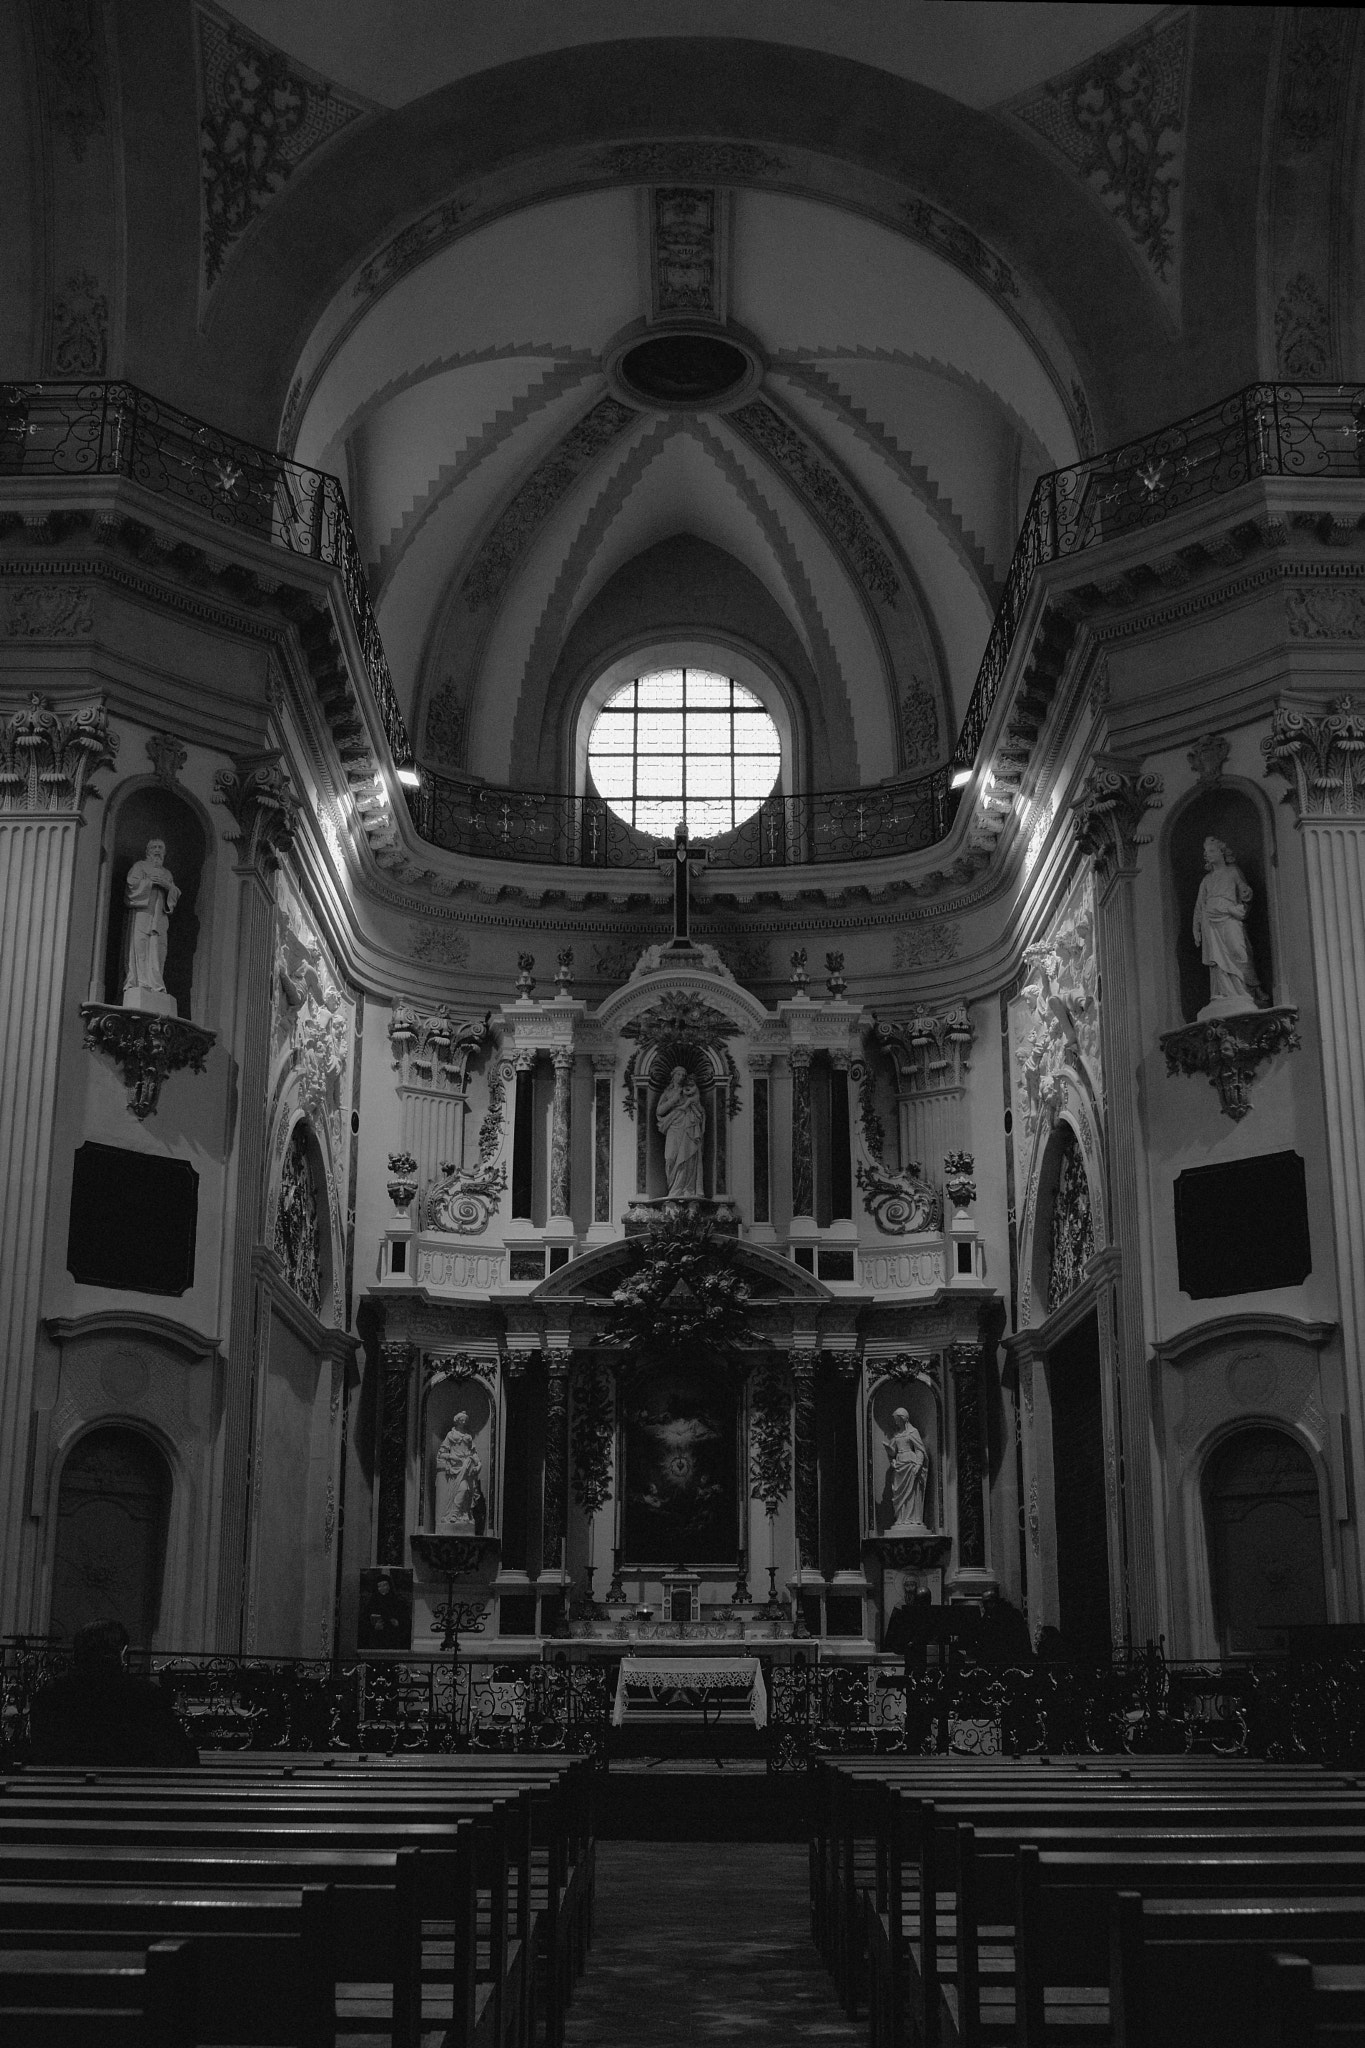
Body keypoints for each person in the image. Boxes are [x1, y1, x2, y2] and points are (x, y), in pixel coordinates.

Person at [27, 1619, 198, 1766]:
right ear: (122, 1653)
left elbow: (39, 1748)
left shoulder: (50, 1693)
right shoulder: (145, 1694)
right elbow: (176, 1752)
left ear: (77, 1653)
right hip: (133, 1793)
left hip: (61, 1790)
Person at [1192, 835, 1263, 1016]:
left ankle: (1247, 990)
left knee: (1239, 951)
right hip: (1210, 921)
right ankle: (1222, 993)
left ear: (1222, 852)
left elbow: (1244, 891)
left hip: (1229, 916)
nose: (1207, 855)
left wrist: (1246, 893)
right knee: (1216, 959)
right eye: (1206, 852)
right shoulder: (1206, 880)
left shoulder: (1232, 871)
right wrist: (1196, 928)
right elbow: (1199, 906)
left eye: (1212, 851)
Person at [123, 836, 181, 1005]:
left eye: (160, 848)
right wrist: (149, 883)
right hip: (142, 912)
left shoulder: (167, 873)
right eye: (154, 847)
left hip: (159, 916)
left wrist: (167, 886)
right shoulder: (139, 866)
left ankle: (156, 983)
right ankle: (140, 982)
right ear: (147, 851)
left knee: (158, 949)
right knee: (140, 945)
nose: (157, 851)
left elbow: (175, 893)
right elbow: (131, 885)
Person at [656, 1064, 705, 1197]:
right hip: (673, 1125)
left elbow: (699, 1107)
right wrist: (673, 1100)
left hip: (689, 1124)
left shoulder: (688, 1090)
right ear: (673, 1075)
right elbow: (659, 1111)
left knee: (688, 1156)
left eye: (684, 1075)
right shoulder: (668, 1093)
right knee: (670, 1157)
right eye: (679, 1074)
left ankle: (686, 1189)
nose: (681, 1077)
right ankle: (673, 1188)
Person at [436, 1411, 485, 1530]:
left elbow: (474, 1454)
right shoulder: (451, 1435)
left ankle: (462, 1514)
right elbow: (442, 1454)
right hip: (455, 1468)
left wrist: (479, 1465)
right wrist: (452, 1457)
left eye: (465, 1420)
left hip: (467, 1467)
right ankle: (453, 1514)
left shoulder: (468, 1436)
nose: (464, 1422)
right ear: (457, 1421)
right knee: (464, 1489)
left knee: (467, 1492)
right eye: (462, 1420)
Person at [884, 1408, 929, 1531]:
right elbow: (893, 1451)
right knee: (898, 1493)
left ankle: (912, 1519)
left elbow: (919, 1449)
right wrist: (889, 1453)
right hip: (899, 1466)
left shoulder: (913, 1432)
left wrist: (919, 1465)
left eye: (897, 1420)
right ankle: (901, 1519)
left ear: (902, 1419)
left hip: (910, 1464)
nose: (896, 1423)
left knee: (911, 1493)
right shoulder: (897, 1435)